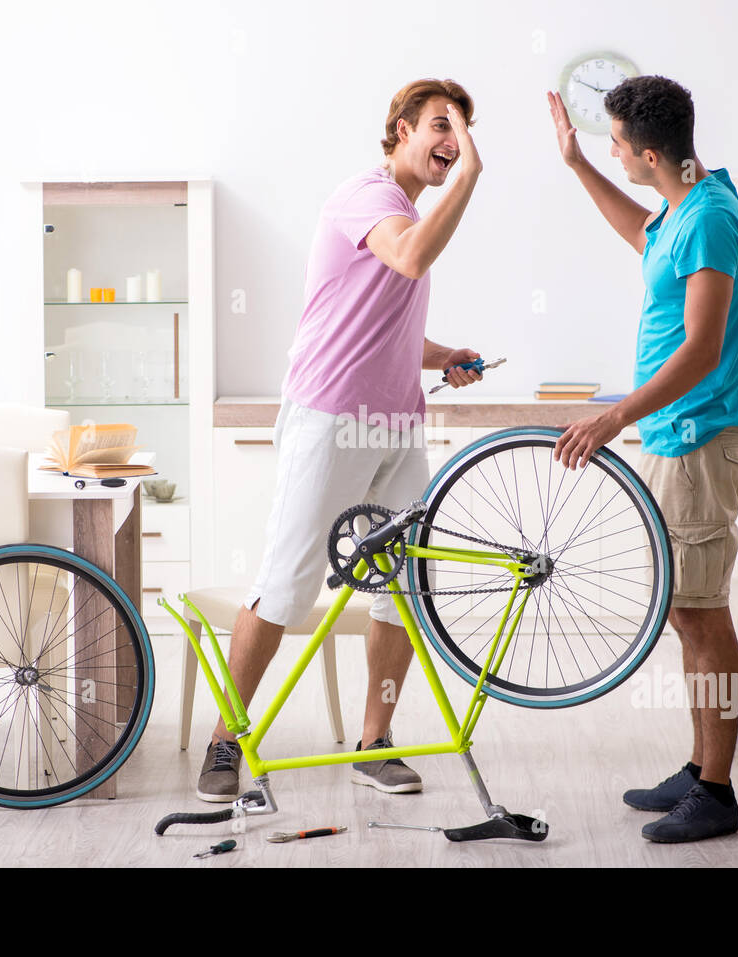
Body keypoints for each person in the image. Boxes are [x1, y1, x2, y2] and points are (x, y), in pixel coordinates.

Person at [197, 78, 486, 803]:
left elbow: (386, 324)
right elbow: (413, 257)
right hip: (330, 418)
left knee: (398, 591)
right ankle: (226, 740)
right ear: (400, 129)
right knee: (286, 585)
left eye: (462, 129)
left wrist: (443, 354)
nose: (453, 141)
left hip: (397, 423)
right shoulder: (368, 195)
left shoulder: (407, 213)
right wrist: (472, 177)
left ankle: (374, 741)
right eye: (441, 125)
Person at [548, 75, 738, 842]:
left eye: (613, 144)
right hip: (678, 437)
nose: (611, 152)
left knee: (703, 614)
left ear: (646, 152)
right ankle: (701, 768)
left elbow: (702, 348)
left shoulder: (708, 218)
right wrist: (577, 165)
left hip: (702, 440)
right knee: (686, 607)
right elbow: (641, 232)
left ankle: (719, 789)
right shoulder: (685, 206)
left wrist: (613, 416)